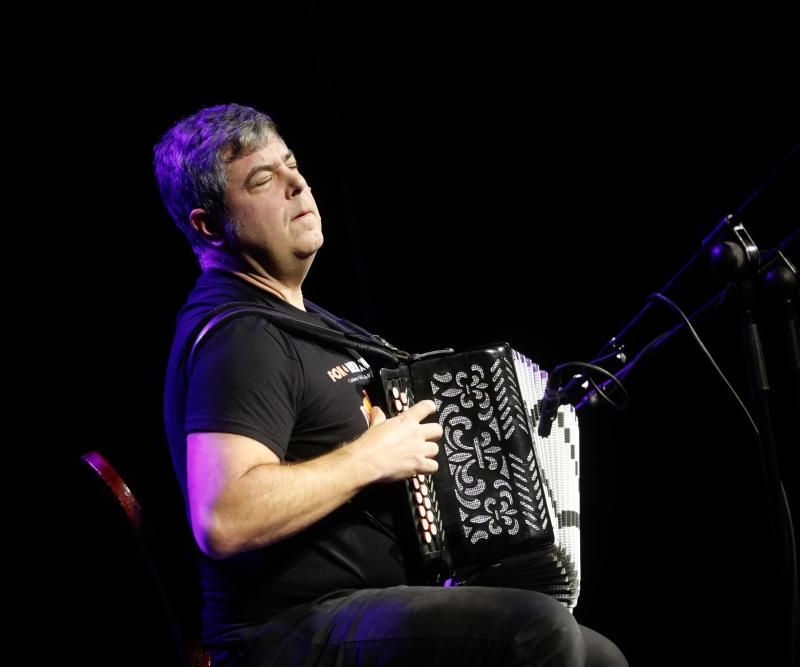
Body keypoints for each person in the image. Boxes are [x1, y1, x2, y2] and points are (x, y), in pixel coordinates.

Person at [157, 103, 628, 666]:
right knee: (536, 630)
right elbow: (223, 518)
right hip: (283, 632)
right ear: (207, 224)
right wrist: (369, 458)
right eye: (263, 179)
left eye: (292, 165)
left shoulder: (310, 324)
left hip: (366, 605)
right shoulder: (242, 337)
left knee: (597, 653)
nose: (296, 184)